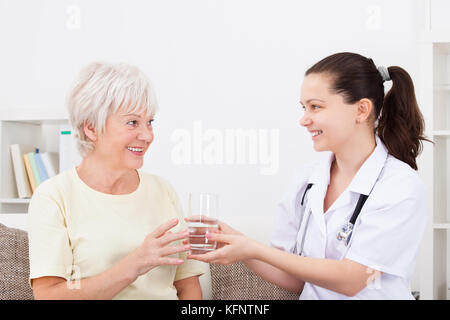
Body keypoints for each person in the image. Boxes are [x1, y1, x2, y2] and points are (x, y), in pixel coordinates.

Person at [188, 52, 430, 299]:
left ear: (361, 110)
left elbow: (353, 279)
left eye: (315, 106)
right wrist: (241, 247)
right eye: (304, 108)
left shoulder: (400, 186)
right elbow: (293, 278)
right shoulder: (307, 181)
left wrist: (254, 249)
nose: (304, 119)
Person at [28, 62, 207, 299]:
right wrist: (133, 265)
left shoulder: (162, 190)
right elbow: (49, 296)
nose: (147, 135)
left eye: (149, 122)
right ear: (91, 128)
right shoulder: (54, 196)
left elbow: (188, 286)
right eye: (133, 122)